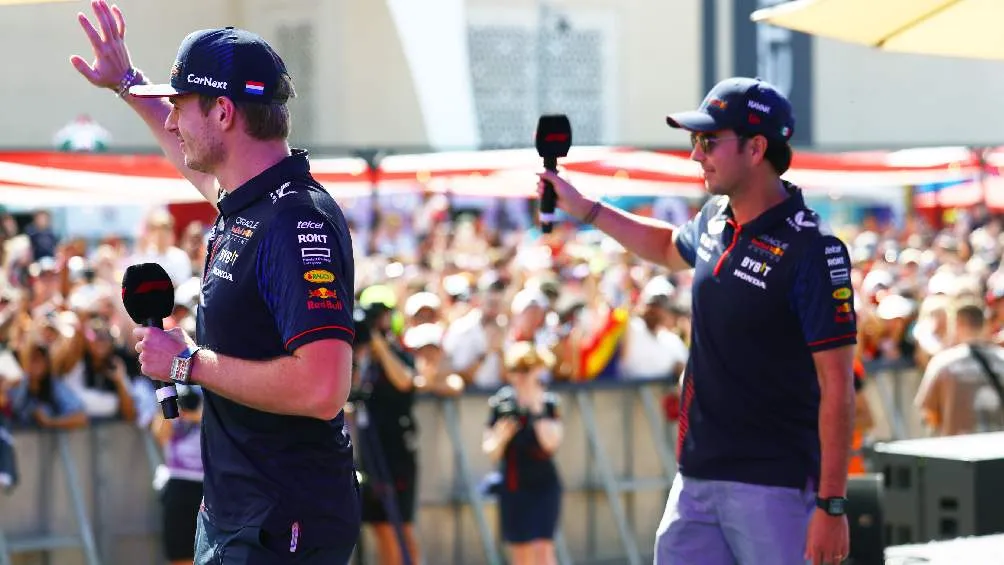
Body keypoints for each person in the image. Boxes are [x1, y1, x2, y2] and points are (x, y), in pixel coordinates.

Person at [71, 2, 360, 562]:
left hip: (281, 525)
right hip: (239, 516)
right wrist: (128, 85)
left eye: (180, 105)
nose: (171, 119)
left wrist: (187, 364)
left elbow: (324, 388)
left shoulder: (295, 221)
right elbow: (189, 159)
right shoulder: (250, 203)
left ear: (224, 111)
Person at [538, 77, 857, 565]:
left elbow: (837, 385)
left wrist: (832, 505)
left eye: (709, 141)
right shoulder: (714, 217)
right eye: (695, 140)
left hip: (775, 485)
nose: (695, 154)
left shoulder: (813, 249)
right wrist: (586, 209)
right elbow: (668, 248)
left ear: (756, 148)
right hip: (696, 476)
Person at [482, 341, 563, 565]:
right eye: (519, 371)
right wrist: (501, 437)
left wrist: (535, 407)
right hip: (514, 484)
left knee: (544, 548)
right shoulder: (502, 404)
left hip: (543, 485)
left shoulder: (547, 403)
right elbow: (490, 451)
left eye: (528, 371)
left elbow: (551, 444)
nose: (522, 377)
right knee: (521, 551)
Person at [915, 302, 1004, 436]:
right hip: (998, 448)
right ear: (984, 324)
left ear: (957, 324)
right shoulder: (1001, 358)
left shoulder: (943, 363)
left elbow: (930, 413)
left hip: (958, 450)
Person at [152, 385, 205, 565]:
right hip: (178, 483)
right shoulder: (171, 389)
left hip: (210, 485)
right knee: (180, 554)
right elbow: (160, 435)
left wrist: (200, 416)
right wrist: (172, 409)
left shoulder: (213, 388)